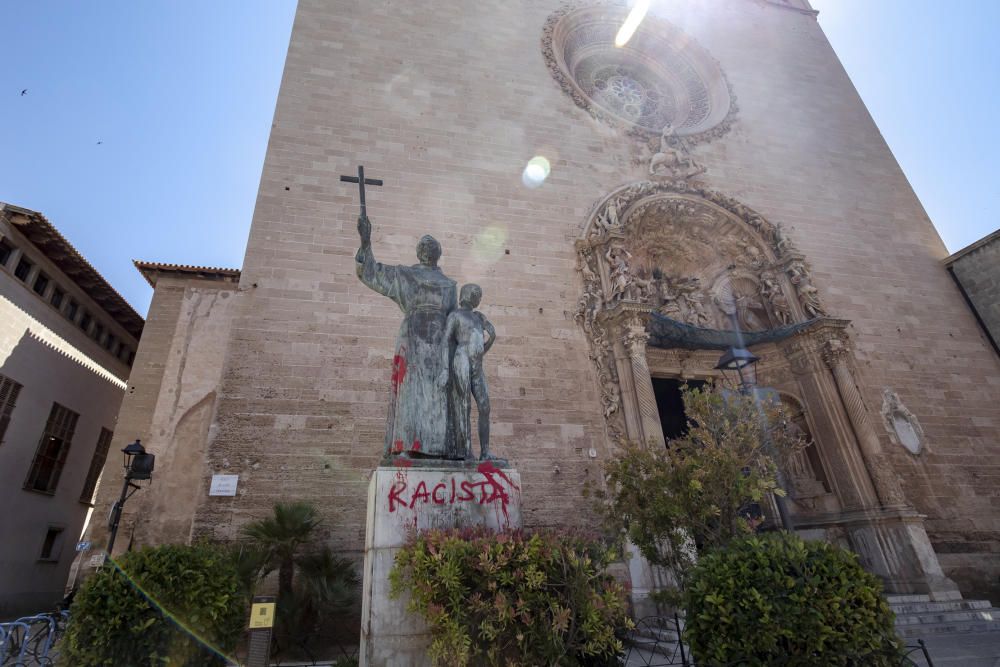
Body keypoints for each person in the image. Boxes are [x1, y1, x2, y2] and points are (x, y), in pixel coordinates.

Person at [355, 215, 458, 458]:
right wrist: (366, 241)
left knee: (438, 393)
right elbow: (371, 273)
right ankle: (407, 446)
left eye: (430, 247)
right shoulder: (404, 275)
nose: (427, 250)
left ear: (437, 253)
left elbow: (455, 319)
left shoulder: (450, 285)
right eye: (423, 246)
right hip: (412, 337)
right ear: (418, 252)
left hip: (440, 342)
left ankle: (439, 449)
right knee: (410, 391)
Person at [443, 284, 496, 460]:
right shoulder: (455, 315)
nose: (478, 298)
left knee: (485, 406)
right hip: (462, 358)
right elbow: (445, 341)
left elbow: (483, 344)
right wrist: (445, 369)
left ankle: (485, 452)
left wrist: (490, 340)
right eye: (476, 294)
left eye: (479, 295)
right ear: (467, 294)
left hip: (476, 362)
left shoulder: (479, 317)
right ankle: (465, 451)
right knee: (464, 404)